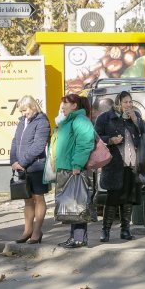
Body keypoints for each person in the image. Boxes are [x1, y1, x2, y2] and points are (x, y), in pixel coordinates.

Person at [95, 90, 145, 242]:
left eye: (130, 102)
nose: (129, 105)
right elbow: (96, 137)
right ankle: (105, 231)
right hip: (114, 164)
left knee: (129, 197)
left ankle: (125, 230)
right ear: (118, 103)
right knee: (112, 198)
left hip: (133, 164)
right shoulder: (106, 118)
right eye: (125, 102)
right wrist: (110, 140)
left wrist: (136, 121)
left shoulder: (135, 116)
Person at [55, 94, 95, 248]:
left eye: (65, 103)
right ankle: (74, 237)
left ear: (74, 105)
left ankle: (79, 238)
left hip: (74, 169)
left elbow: (85, 144)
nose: (62, 106)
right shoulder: (69, 121)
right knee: (71, 204)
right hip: (66, 168)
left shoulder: (80, 121)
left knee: (78, 203)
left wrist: (77, 164)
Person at [9, 95, 50, 245]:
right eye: (21, 111)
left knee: (38, 198)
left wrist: (23, 162)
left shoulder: (42, 121)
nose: (23, 114)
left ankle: (37, 231)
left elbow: (39, 146)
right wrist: (13, 161)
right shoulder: (22, 122)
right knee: (27, 199)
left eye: (25, 110)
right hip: (22, 167)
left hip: (36, 166)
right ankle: (27, 230)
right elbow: (15, 142)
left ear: (33, 107)